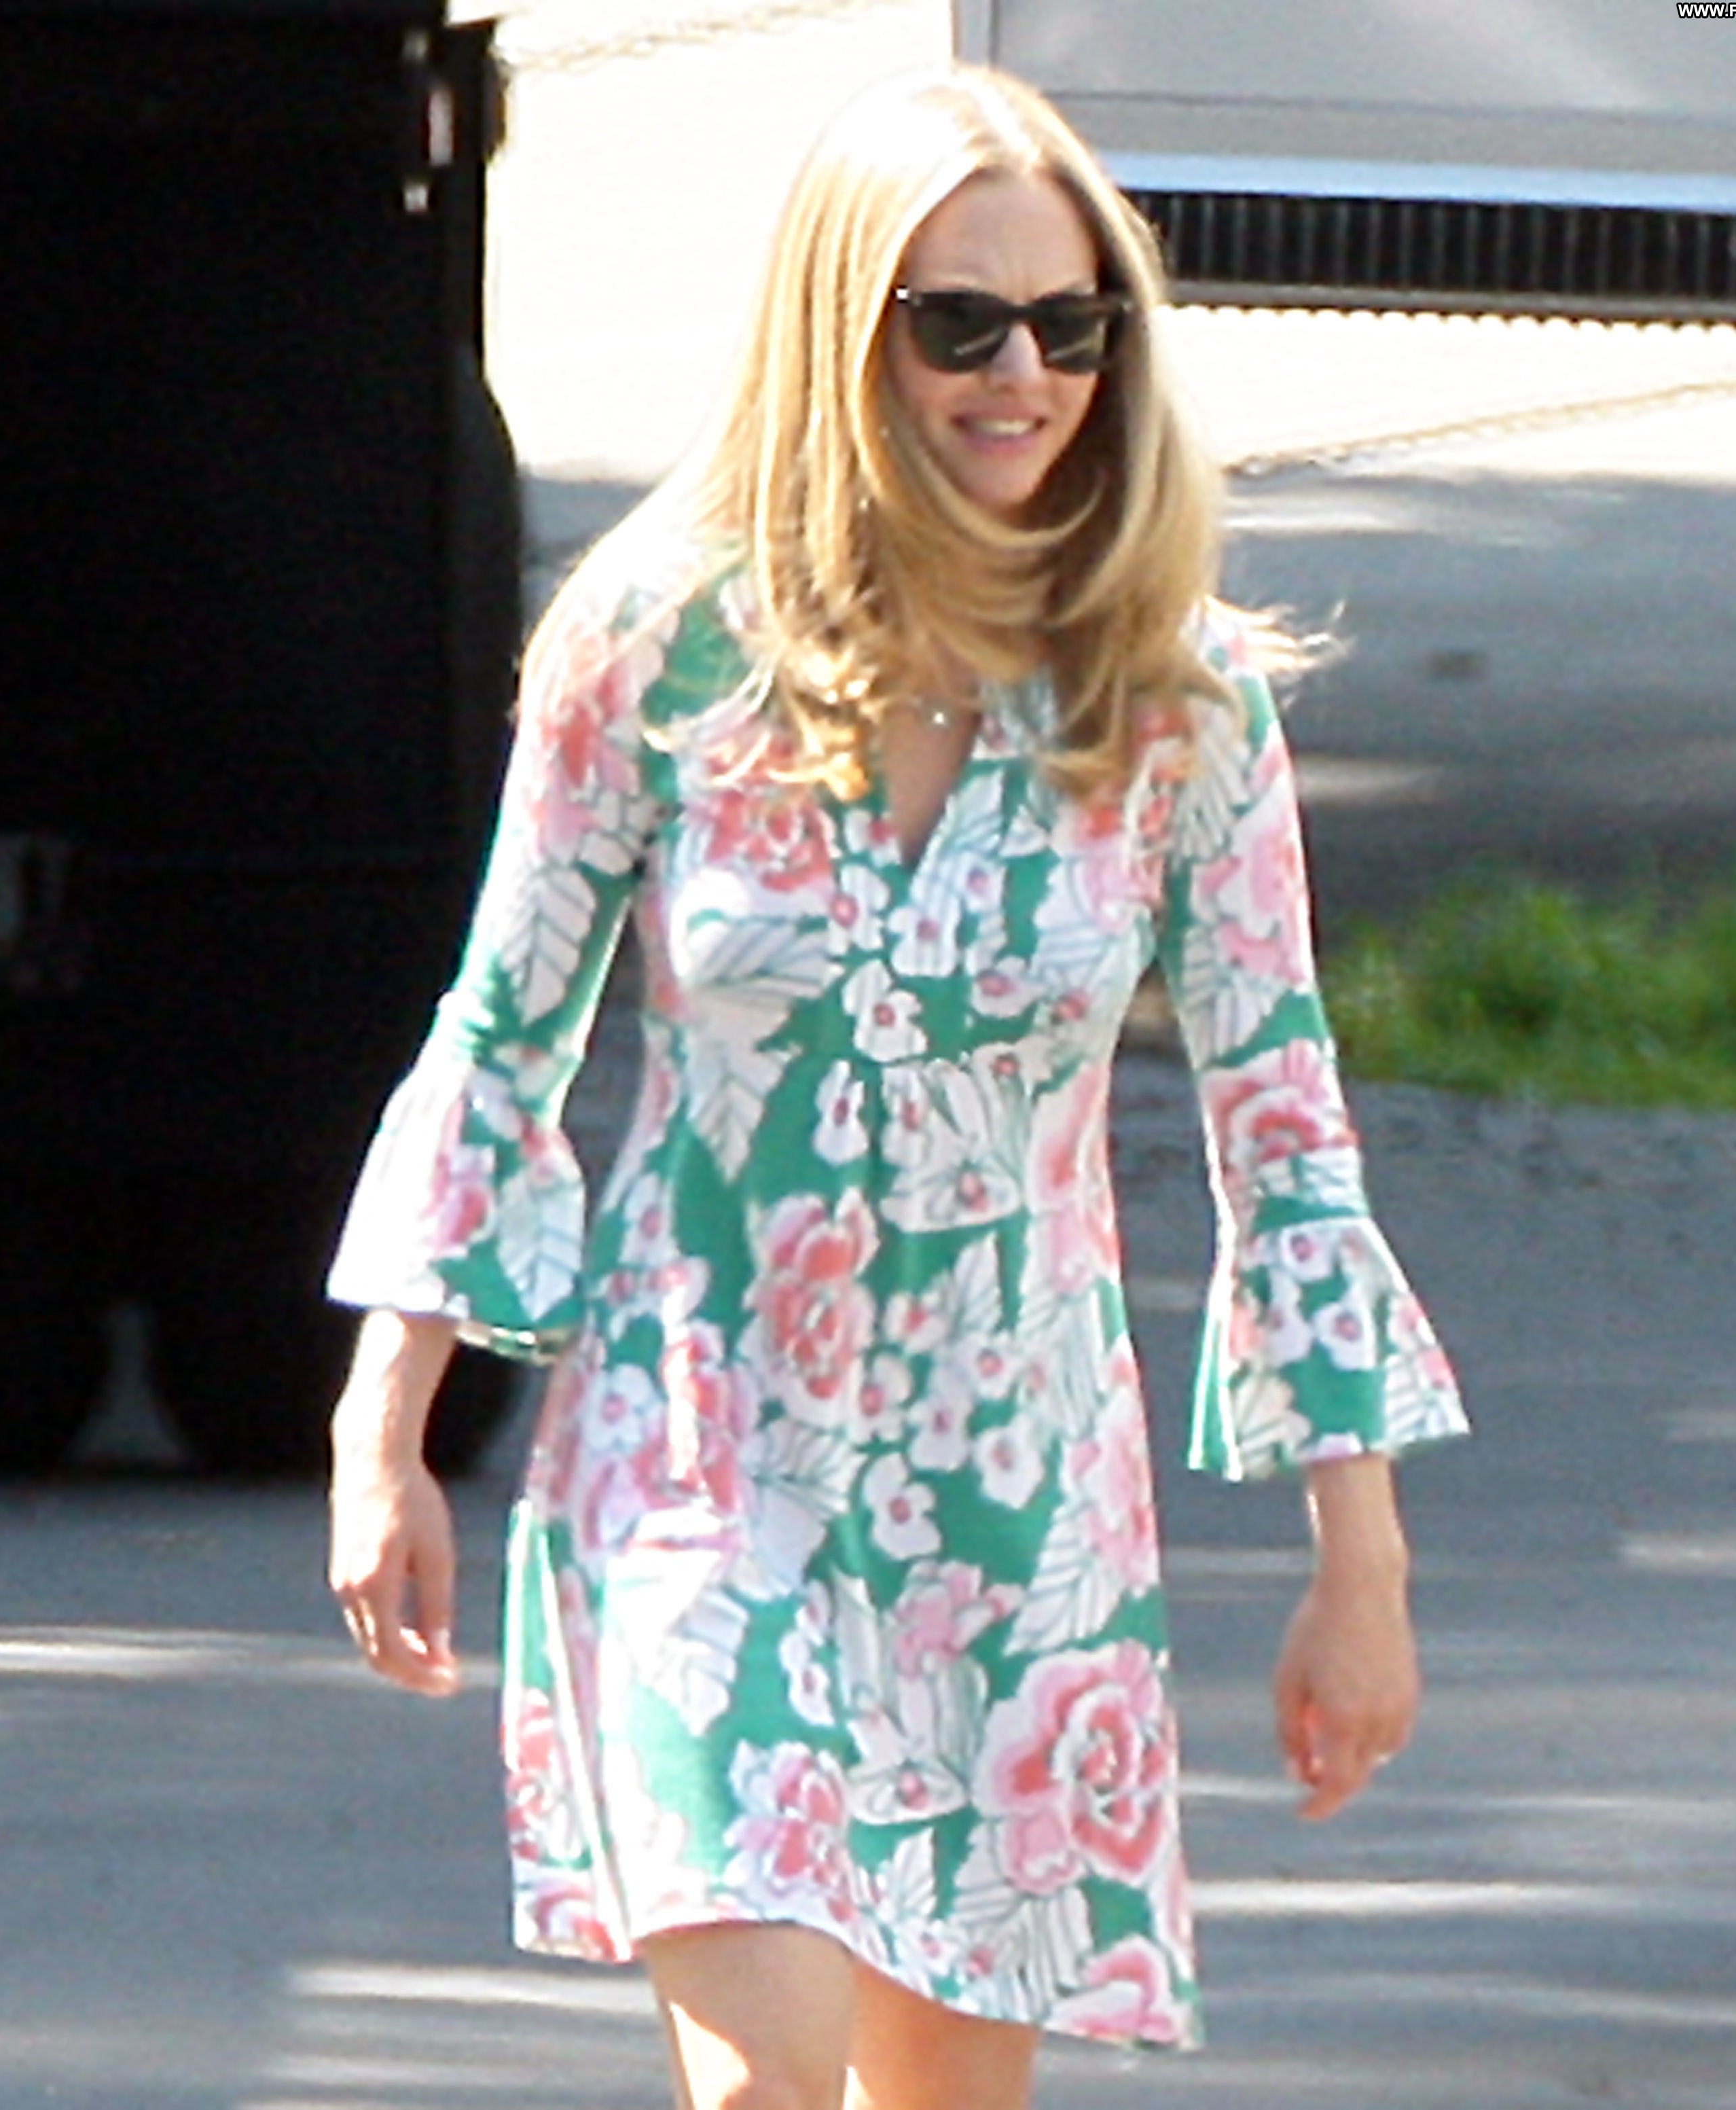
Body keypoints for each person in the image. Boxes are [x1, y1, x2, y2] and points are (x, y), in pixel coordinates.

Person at [325, 61, 1468, 2110]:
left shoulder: (1178, 700)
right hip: (698, 1463)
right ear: (843, 333)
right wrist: (381, 1419)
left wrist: (1358, 1568)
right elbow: (504, 1028)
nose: (1019, 375)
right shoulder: (658, 644)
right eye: (960, 323)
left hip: (1018, 1515)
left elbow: (1283, 1132)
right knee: (768, 2081)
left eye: (1067, 326)